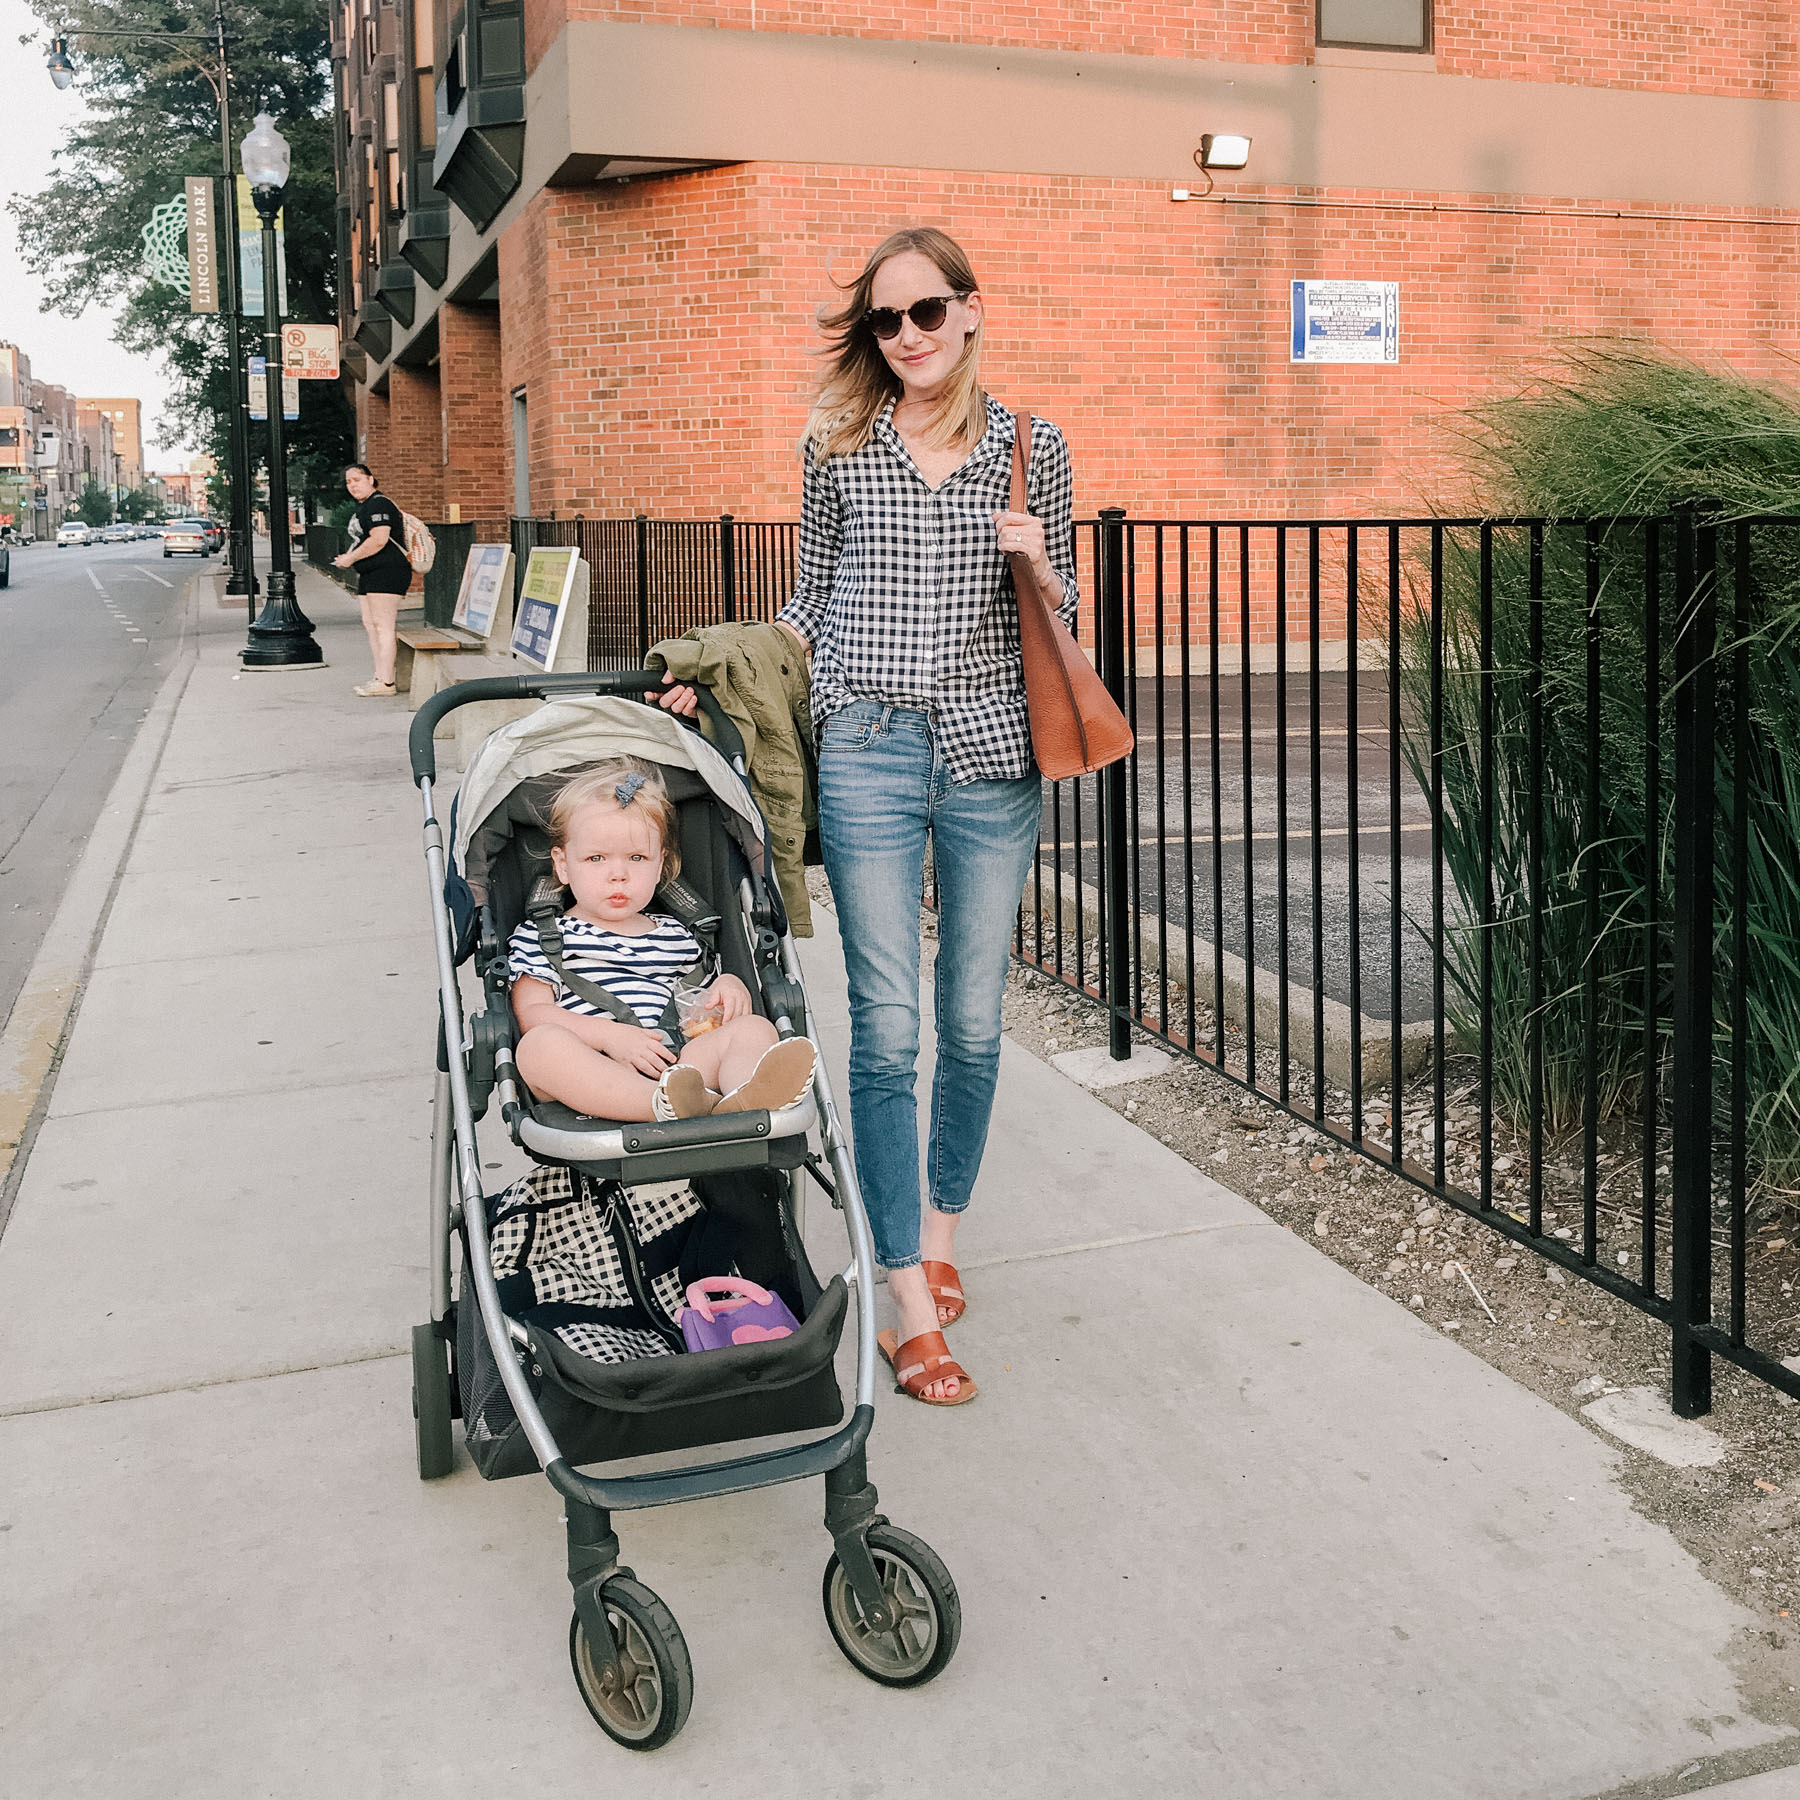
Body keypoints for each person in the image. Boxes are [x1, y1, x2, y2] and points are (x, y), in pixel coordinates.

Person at [728, 226, 1078, 1405]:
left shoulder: (1034, 449)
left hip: (991, 757)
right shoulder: (837, 447)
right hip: (869, 750)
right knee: (886, 1028)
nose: (908, 337)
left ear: (972, 311)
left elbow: (1064, 608)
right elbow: (811, 595)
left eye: (926, 312)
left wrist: (1035, 561)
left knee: (973, 1022)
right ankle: (903, 1298)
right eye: (885, 321)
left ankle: (941, 1235)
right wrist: (734, 661)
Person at [509, 760, 816, 1123]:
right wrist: (609, 1037)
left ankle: (742, 1099)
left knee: (754, 1029)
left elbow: (697, 1008)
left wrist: (728, 986)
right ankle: (654, 1105)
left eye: (637, 858)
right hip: (596, 1068)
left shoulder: (679, 933)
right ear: (562, 864)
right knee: (538, 1047)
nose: (618, 875)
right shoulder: (545, 936)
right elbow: (533, 1014)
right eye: (596, 858)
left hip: (679, 1067)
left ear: (660, 865)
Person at [332, 464, 413, 697]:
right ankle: (379, 676)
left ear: (371, 479)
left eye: (357, 479)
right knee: (371, 625)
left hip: (387, 571)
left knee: (383, 626)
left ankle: (387, 682)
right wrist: (349, 557)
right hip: (370, 573)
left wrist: (351, 558)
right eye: (348, 482)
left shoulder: (379, 504)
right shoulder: (364, 507)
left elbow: (379, 539)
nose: (352, 485)